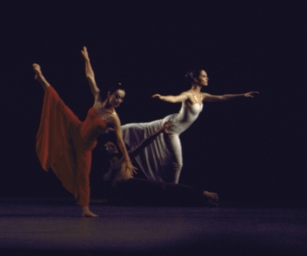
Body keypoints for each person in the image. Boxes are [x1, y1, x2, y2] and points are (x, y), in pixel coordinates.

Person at [33, 47, 136, 217]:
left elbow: (119, 140)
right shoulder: (98, 98)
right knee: (58, 104)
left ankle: (85, 208)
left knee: (83, 176)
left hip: (85, 146)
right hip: (76, 129)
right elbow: (89, 76)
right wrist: (87, 59)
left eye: (122, 98)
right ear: (109, 94)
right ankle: (40, 77)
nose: (119, 101)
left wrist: (127, 159)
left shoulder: (114, 118)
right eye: (117, 96)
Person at [122, 69, 258, 184]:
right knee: (177, 164)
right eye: (204, 76)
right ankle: (173, 191)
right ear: (195, 79)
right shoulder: (187, 94)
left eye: (206, 76)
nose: (207, 78)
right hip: (171, 128)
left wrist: (243, 95)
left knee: (141, 127)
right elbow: (174, 98)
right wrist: (162, 97)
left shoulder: (203, 96)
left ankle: (167, 188)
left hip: (172, 122)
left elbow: (223, 97)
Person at [102, 122, 219, 207]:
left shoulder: (124, 159)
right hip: (128, 195)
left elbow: (142, 144)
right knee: (162, 198)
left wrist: (159, 131)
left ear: (117, 149)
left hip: (132, 184)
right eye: (106, 147)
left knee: (165, 187)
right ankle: (202, 201)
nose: (109, 147)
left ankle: (204, 194)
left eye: (111, 145)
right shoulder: (107, 172)